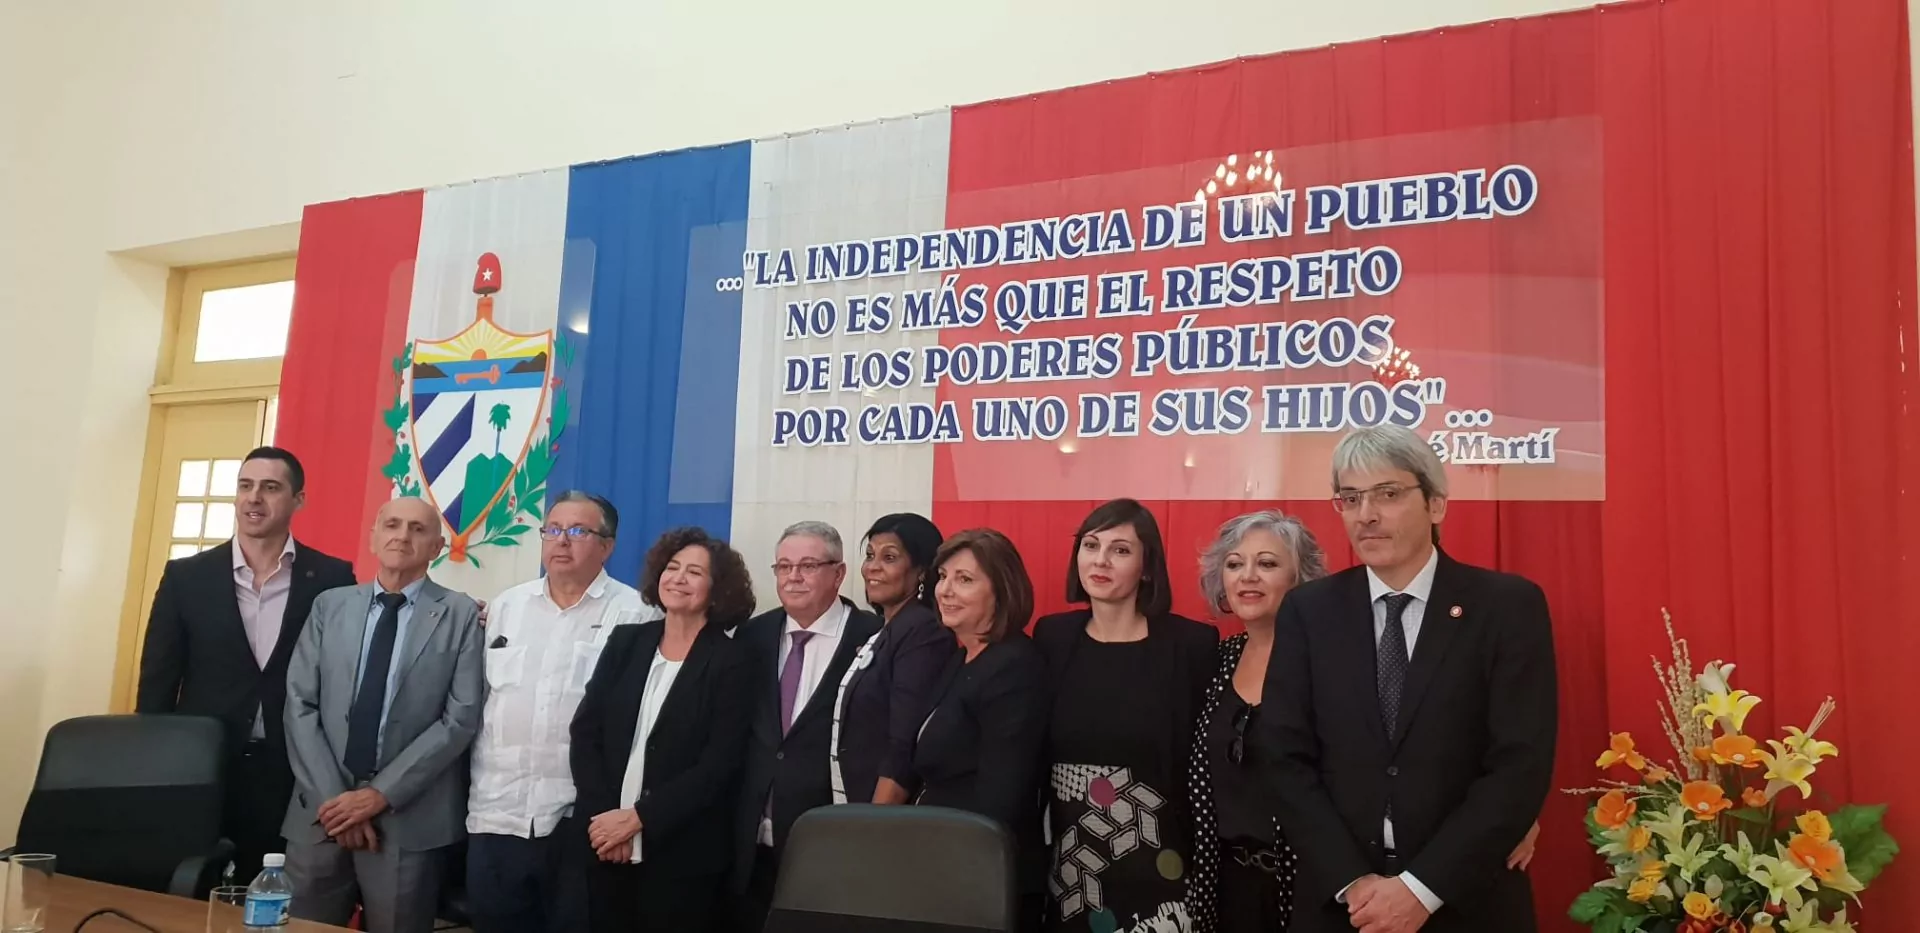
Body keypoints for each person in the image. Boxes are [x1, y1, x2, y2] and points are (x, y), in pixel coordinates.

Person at [1258, 425, 1558, 933]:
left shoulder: (1506, 607)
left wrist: (1421, 890)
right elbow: (1284, 759)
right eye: (1351, 498)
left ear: (1436, 504)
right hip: (1344, 906)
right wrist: (1355, 884)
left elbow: (1519, 766)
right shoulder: (1309, 612)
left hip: (1466, 899)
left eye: (1388, 494)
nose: (1366, 515)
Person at [136, 446, 357, 880]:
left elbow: (347, 673)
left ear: (298, 499)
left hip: (290, 770)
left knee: (272, 891)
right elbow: (158, 679)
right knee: (190, 888)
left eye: (270, 487)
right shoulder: (186, 577)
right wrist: (154, 766)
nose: (254, 497)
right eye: (245, 486)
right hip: (202, 765)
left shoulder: (332, 579)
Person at [280, 497, 484, 933]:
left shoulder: (461, 613)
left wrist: (378, 796)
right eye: (392, 525)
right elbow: (300, 704)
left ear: (437, 547)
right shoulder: (329, 606)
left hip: (408, 818)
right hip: (321, 814)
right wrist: (337, 803)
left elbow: (460, 718)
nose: (402, 536)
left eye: (417, 529)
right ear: (374, 537)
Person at [465, 491, 657, 933]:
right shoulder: (506, 607)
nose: (561, 541)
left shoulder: (637, 615)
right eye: (552, 530)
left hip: (579, 819)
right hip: (496, 814)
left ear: (607, 546)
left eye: (577, 531)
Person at [1033, 498, 1217, 933]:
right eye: (1090, 545)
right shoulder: (1052, 637)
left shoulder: (1191, 645)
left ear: (1147, 566)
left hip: (1163, 861)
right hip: (1073, 864)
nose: (1100, 560)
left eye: (1120, 550)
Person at [570, 527, 758, 933]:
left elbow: (720, 764)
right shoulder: (627, 641)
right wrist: (607, 821)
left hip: (683, 854)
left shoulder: (734, 659)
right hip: (605, 844)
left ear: (717, 589)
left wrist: (638, 819)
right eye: (673, 567)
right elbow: (586, 732)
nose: (679, 578)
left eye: (695, 572)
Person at [729, 520, 883, 933]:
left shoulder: (875, 637)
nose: (793, 576)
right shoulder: (753, 635)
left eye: (808, 565)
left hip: (832, 843)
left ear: (839, 573)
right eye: (783, 566)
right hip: (751, 848)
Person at [1187, 510, 1326, 933]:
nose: (1248, 576)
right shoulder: (1216, 659)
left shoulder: (1328, 662)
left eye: (1266, 563)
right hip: (1224, 887)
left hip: (1309, 888)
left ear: (1299, 578)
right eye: (1235, 564)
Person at [911, 529, 1049, 933]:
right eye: (943, 576)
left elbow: (1001, 796)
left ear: (1001, 591)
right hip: (941, 861)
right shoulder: (961, 658)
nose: (945, 590)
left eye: (965, 579)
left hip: (980, 878)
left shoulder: (1013, 667)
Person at [830, 513, 957, 805]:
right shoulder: (887, 629)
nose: (872, 567)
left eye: (889, 558)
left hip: (884, 818)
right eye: (870, 555)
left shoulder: (923, 632)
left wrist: (875, 822)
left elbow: (903, 745)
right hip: (854, 805)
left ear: (922, 571)